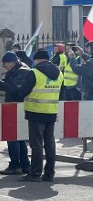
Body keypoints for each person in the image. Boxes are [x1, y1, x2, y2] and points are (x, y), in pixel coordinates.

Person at [16, 49, 63, 182]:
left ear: (36, 60)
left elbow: (23, 92)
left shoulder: (34, 72)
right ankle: (49, 174)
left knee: (36, 144)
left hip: (36, 112)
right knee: (50, 144)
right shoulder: (59, 73)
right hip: (51, 111)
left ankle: (35, 173)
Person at [0, 51, 32, 174]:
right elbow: (8, 84)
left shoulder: (22, 71)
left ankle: (16, 165)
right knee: (19, 137)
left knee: (13, 136)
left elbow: (13, 88)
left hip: (17, 106)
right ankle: (24, 165)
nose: (4, 66)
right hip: (15, 106)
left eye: (5, 63)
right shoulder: (16, 70)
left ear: (12, 62)